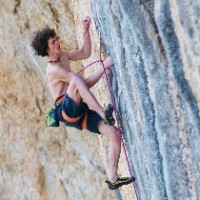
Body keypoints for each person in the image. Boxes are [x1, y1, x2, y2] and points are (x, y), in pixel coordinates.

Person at [31, 16, 134, 190]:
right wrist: (104, 67)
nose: (58, 42)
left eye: (56, 39)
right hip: (66, 110)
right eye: (53, 42)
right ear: (46, 49)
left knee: (114, 134)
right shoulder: (53, 69)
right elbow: (80, 83)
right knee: (77, 81)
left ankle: (113, 177)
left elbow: (84, 53)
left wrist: (85, 31)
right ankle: (103, 113)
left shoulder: (63, 56)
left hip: (79, 113)